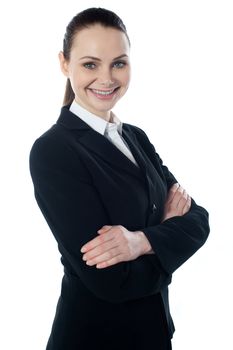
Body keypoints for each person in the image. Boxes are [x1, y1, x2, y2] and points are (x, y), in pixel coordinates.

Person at [29, 7, 210, 350]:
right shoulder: (53, 151)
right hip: (93, 338)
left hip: (154, 334)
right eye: (90, 64)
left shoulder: (136, 138)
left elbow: (199, 220)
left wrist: (139, 242)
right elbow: (112, 282)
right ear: (64, 64)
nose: (107, 78)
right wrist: (169, 239)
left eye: (119, 63)